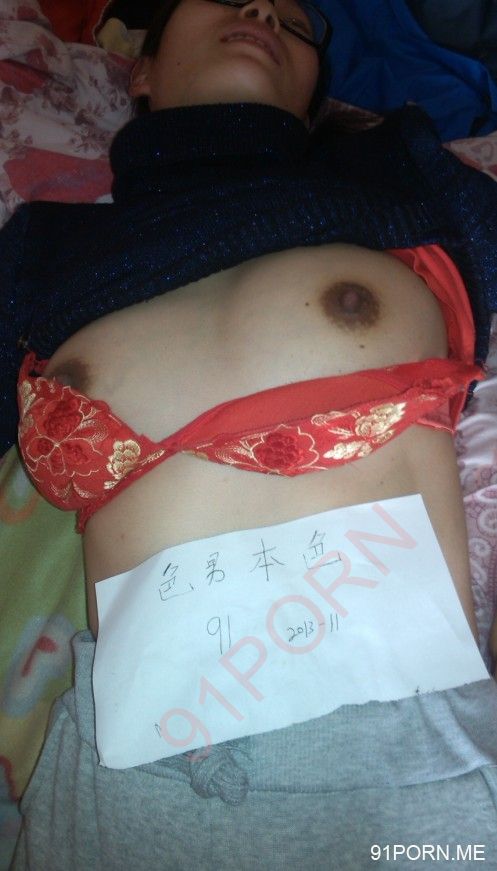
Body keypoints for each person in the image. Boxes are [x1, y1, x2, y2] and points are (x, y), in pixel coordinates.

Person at [4, 0, 497, 866]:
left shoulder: (396, 170)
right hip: (121, 788)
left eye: (295, 20)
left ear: (312, 92)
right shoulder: (44, 248)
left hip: (415, 766)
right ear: (140, 66)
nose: (263, 10)